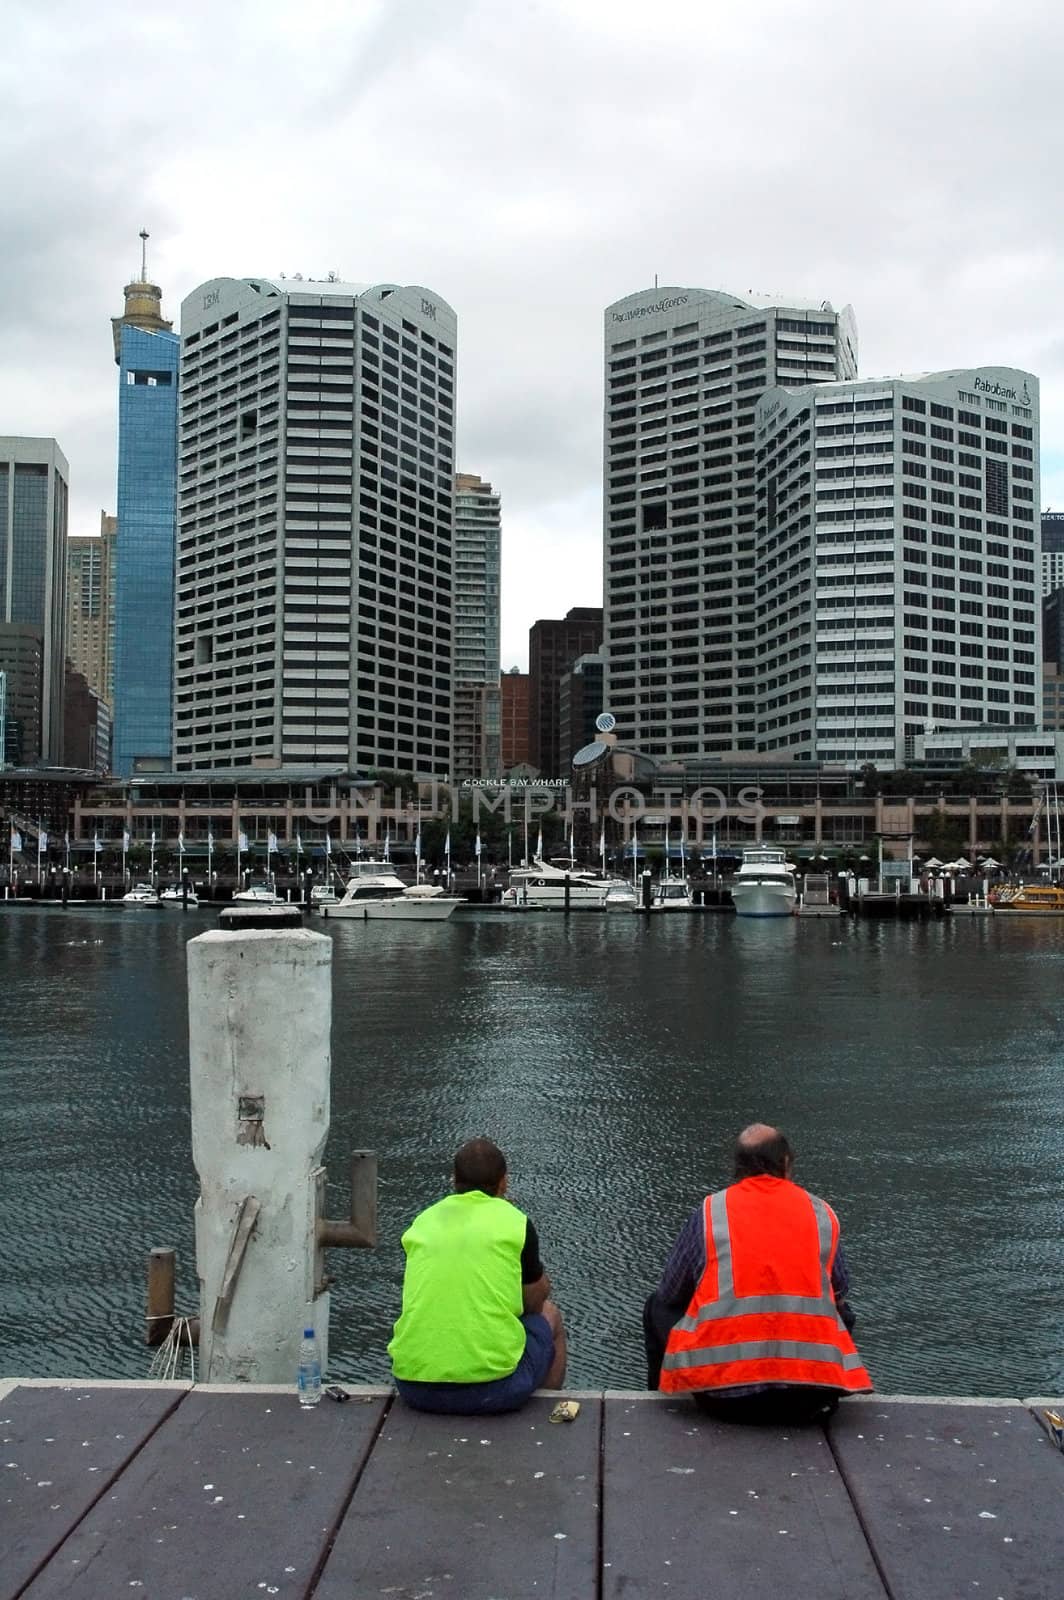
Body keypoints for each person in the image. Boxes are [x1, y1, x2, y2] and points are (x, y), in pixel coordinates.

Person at [643, 1123, 871, 1425]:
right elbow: (841, 1288)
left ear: (736, 1167)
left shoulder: (713, 1212)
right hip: (810, 1401)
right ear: (787, 1163)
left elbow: (671, 1292)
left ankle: (661, 1400)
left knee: (656, 1306)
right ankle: (828, 1378)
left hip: (724, 1401)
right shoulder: (821, 1214)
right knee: (841, 1309)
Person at [389, 1137, 567, 1414]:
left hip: (414, 1389)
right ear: (504, 1182)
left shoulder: (422, 1222)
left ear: (453, 1180)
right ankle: (545, 1416)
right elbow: (533, 1302)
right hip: (493, 1392)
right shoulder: (515, 1222)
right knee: (550, 1315)